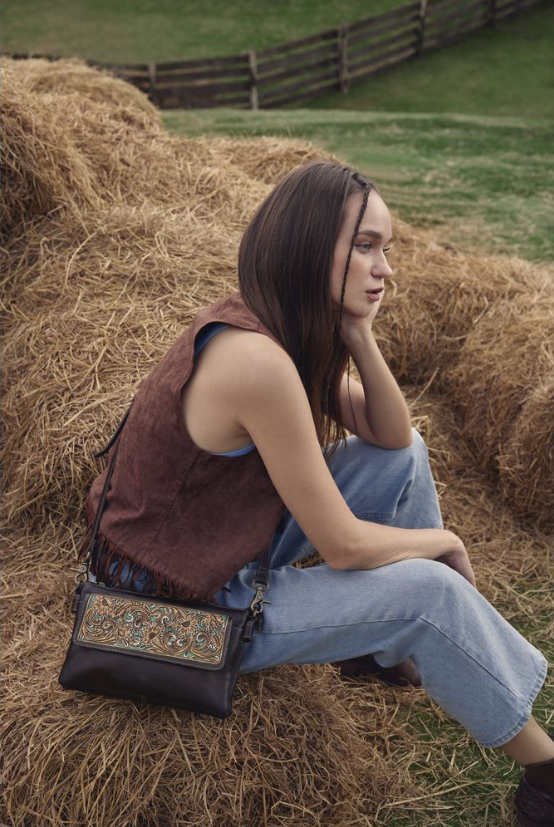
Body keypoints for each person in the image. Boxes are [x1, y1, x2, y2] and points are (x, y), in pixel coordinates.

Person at [88, 161, 553, 825]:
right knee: (430, 591)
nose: (385, 269)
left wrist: (358, 334)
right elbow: (343, 545)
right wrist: (443, 543)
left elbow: (394, 439)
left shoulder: (271, 323)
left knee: (402, 460)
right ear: (308, 248)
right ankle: (545, 774)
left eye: (386, 248)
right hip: (172, 616)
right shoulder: (257, 362)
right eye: (365, 246)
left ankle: (389, 647)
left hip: (204, 547)